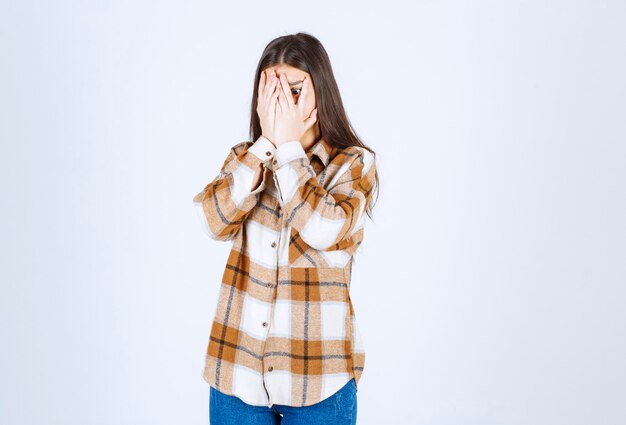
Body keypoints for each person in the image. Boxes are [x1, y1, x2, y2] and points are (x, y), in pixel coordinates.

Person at [192, 32, 379, 425]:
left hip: (319, 381)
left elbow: (324, 231)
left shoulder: (353, 165)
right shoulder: (247, 160)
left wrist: (289, 151)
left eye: (295, 90)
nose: (283, 103)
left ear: (321, 93)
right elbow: (211, 220)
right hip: (237, 376)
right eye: (272, 92)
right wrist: (265, 148)